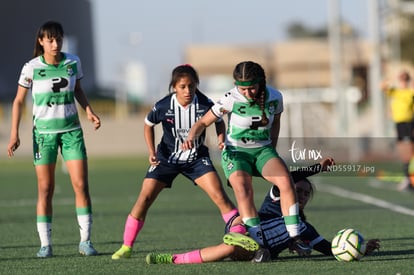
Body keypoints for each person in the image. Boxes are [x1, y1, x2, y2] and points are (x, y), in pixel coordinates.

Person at [145, 158, 381, 264]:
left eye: (305, 194)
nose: (300, 195)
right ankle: (175, 259)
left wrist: (360, 249)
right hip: (248, 230)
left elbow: (328, 249)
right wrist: (316, 168)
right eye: (297, 191)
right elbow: (288, 179)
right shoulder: (275, 200)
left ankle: (254, 250)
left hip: (258, 252)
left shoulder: (304, 228)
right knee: (237, 224)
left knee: (231, 250)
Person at [182, 61, 308, 257]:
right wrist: (191, 136)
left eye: (251, 88)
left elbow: (276, 123)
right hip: (237, 152)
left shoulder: (275, 97)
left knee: (286, 181)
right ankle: (259, 245)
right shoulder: (230, 98)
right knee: (243, 189)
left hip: (262, 150)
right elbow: (204, 122)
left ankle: (295, 239)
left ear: (261, 83)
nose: (247, 93)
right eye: (242, 88)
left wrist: (271, 149)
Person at [111, 64, 238, 260]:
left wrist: (221, 138)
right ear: (174, 87)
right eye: (183, 87)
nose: (188, 91)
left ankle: (238, 235)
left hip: (196, 159)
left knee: (219, 195)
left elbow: (219, 119)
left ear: (196, 85)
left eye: (192, 86)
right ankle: (126, 246)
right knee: (144, 199)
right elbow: (148, 125)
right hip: (166, 158)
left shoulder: (205, 104)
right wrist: (151, 151)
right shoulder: (163, 105)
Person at [7, 21, 101, 258]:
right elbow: (18, 101)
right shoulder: (31, 67)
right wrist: (14, 133)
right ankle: (45, 244)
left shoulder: (73, 62)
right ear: (41, 41)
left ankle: (85, 241)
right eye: (50, 39)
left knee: (81, 185)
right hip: (43, 135)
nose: (55, 44)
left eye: (58, 39)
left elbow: (78, 90)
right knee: (45, 188)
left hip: (71, 132)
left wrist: (89, 111)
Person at [381, 71, 414, 191]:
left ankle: (409, 179)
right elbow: (383, 86)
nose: (403, 82)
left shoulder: (411, 93)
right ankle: (408, 178)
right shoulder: (396, 92)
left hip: (409, 124)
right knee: (403, 152)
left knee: (409, 152)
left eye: (405, 80)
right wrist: (389, 79)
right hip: (399, 124)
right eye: (401, 80)